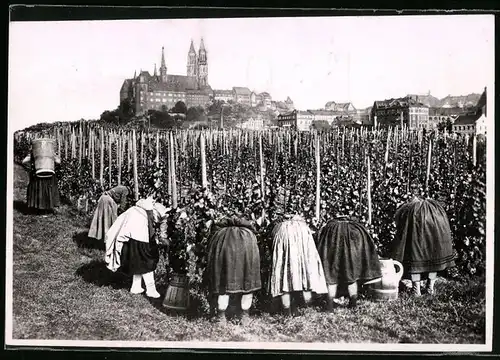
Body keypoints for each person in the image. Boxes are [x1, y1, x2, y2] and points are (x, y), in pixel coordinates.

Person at [105, 197, 168, 298]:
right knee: (146, 260)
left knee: (138, 260)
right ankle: (151, 290)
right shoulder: (151, 213)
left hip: (129, 233)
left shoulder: (141, 207)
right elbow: (150, 231)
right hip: (137, 233)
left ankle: (136, 286)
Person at [392, 196, 456, 296]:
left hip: (417, 235)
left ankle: (416, 290)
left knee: (415, 261)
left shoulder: (411, 211)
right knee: (434, 260)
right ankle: (430, 287)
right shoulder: (434, 211)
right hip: (434, 231)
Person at [317, 216, 382, 310]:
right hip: (351, 252)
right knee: (351, 276)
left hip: (333, 251)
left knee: (332, 277)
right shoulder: (354, 228)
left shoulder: (330, 228)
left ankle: (330, 306)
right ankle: (353, 304)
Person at [206, 216, 261, 325]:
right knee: (247, 283)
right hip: (246, 245)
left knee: (224, 284)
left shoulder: (220, 235)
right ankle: (244, 316)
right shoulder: (248, 235)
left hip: (226, 243)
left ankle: (221, 316)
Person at [269, 214, 328, 316]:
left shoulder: (280, 227)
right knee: (299, 277)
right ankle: (296, 308)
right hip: (300, 247)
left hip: (284, 237)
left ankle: (287, 312)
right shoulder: (304, 228)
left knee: (284, 280)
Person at [21, 144, 61, 214]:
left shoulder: (33, 152)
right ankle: (46, 208)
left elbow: (24, 161)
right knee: (48, 190)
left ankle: (37, 208)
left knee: (38, 190)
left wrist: (31, 168)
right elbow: (58, 161)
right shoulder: (51, 152)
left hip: (37, 174)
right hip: (49, 174)